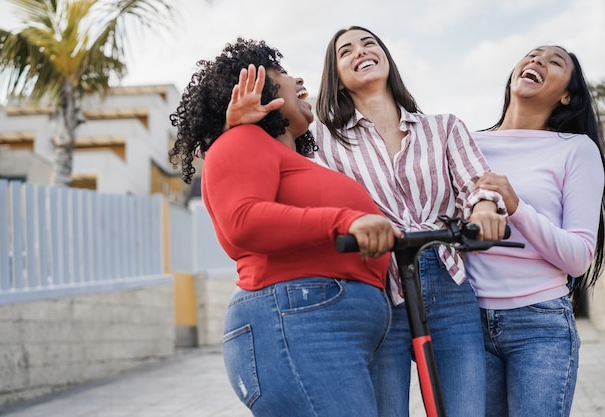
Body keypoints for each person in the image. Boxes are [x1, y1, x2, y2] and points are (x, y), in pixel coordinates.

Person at [225, 26, 508, 417]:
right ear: (336, 75)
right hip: (377, 285)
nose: (361, 51)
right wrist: (239, 126)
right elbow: (281, 172)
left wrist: (484, 210)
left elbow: (478, 184)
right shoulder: (321, 138)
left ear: (386, 57)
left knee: (465, 410)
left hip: (446, 278)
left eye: (369, 43)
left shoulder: (443, 127)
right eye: (346, 50)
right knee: (385, 410)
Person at [169, 38, 404, 417]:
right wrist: (347, 220)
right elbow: (242, 223)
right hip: (299, 319)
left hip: (327, 322)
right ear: (258, 86)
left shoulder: (294, 159)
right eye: (281, 72)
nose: (298, 80)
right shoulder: (241, 141)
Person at [465, 45, 605, 417]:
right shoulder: (466, 143)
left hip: (539, 325)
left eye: (554, 62)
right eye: (532, 54)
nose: (537, 60)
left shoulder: (576, 150)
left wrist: (516, 207)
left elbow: (578, 259)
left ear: (566, 96)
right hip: (466, 323)